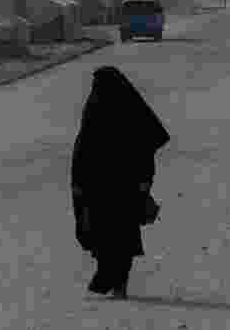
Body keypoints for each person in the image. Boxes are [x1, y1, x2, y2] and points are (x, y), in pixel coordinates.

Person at [71, 66, 170, 299]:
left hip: (102, 189)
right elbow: (147, 144)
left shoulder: (94, 108)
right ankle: (117, 283)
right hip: (124, 187)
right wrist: (145, 180)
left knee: (107, 236)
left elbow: (82, 149)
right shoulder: (130, 107)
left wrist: (78, 181)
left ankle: (109, 279)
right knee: (121, 238)